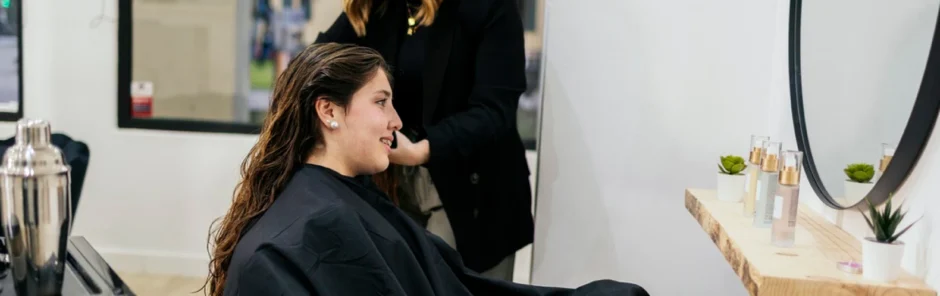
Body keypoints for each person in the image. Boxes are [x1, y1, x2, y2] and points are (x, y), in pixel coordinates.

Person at [200, 43, 647, 296]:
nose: (396, 121)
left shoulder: (337, 202)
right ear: (328, 111)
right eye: (381, 102)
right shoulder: (315, 226)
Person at [314, 0, 534, 279]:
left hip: (472, 186)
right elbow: (316, 65)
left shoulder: (489, 7)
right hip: (394, 180)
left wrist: (421, 151)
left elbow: (494, 111)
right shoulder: (380, 7)